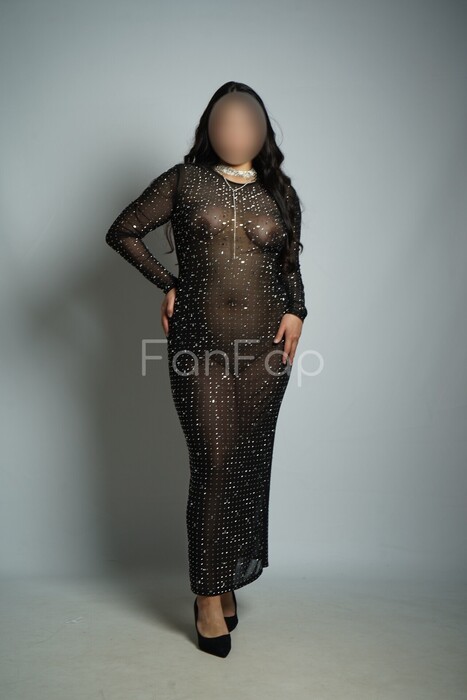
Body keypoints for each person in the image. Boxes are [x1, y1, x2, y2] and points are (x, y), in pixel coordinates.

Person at [105, 81, 308, 658]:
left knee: (247, 464)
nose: (235, 131)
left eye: (247, 122)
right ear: (209, 127)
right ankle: (205, 594)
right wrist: (168, 283)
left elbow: (290, 265)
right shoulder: (183, 181)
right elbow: (122, 231)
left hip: (267, 351)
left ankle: (227, 578)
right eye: (225, 120)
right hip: (200, 346)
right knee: (214, 463)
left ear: (262, 133)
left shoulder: (280, 191)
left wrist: (298, 310)